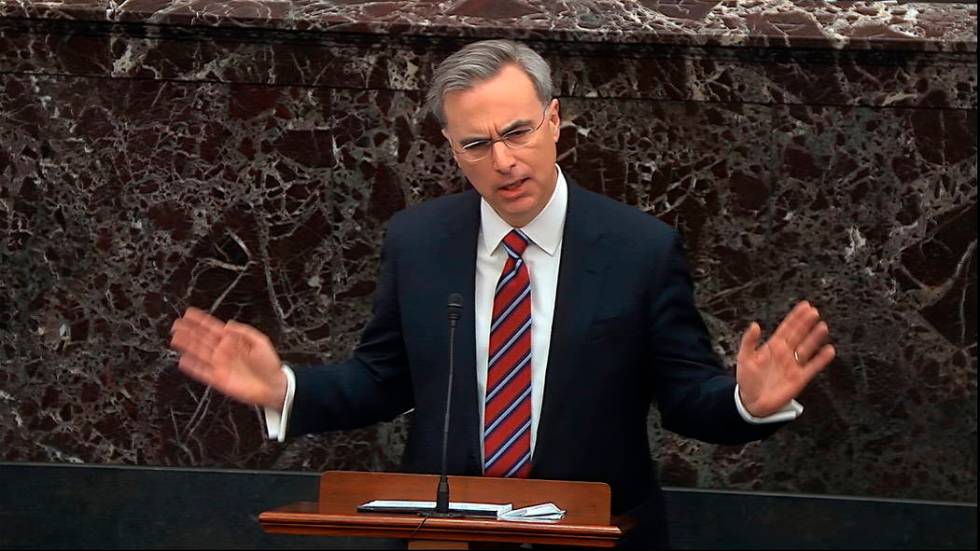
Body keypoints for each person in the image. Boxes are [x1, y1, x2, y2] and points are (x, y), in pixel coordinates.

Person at [169, 39, 835, 547]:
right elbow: (382, 379)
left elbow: (687, 398)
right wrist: (284, 390)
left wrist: (746, 400)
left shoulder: (639, 247)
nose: (504, 162)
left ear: (553, 119)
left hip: (596, 535)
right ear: (449, 148)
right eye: (477, 144)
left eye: (517, 133)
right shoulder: (418, 240)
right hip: (445, 535)